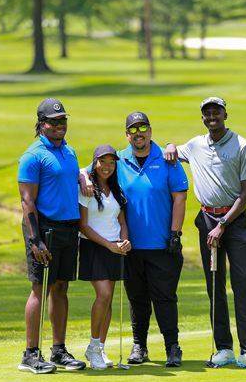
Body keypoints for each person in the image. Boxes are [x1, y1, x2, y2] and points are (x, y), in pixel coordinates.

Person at [162, 96, 246, 370]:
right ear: (203, 118)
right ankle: (223, 348)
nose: (212, 117)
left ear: (225, 115)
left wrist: (224, 224)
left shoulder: (243, 146)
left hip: (234, 222)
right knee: (214, 285)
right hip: (207, 220)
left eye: (216, 112)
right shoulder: (196, 145)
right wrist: (171, 144)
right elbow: (170, 151)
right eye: (207, 113)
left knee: (242, 282)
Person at [81, 111, 189, 367]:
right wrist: (83, 175)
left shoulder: (167, 158)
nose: (138, 134)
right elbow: (87, 170)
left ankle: (172, 347)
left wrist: (175, 233)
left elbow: (180, 198)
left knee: (164, 298)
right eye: (133, 130)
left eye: (143, 129)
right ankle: (139, 346)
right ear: (127, 134)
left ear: (150, 131)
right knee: (137, 299)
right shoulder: (118, 158)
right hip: (128, 247)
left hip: (162, 243)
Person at [17, 97, 87, 373]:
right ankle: (31, 354)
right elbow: (27, 202)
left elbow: (70, 177)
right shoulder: (32, 155)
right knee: (40, 289)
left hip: (69, 228)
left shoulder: (68, 151)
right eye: (54, 121)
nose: (60, 125)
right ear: (41, 124)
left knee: (61, 288)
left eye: (63, 120)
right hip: (44, 228)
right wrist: (36, 240)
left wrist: (83, 176)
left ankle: (58, 351)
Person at [77, 144, 132, 371]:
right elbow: (83, 226)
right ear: (94, 163)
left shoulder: (117, 190)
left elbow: (122, 223)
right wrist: (109, 245)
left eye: (111, 162)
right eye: (102, 162)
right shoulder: (86, 189)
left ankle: (99, 347)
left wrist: (124, 241)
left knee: (108, 300)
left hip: (114, 248)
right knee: (104, 294)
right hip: (94, 247)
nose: (107, 166)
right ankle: (92, 346)